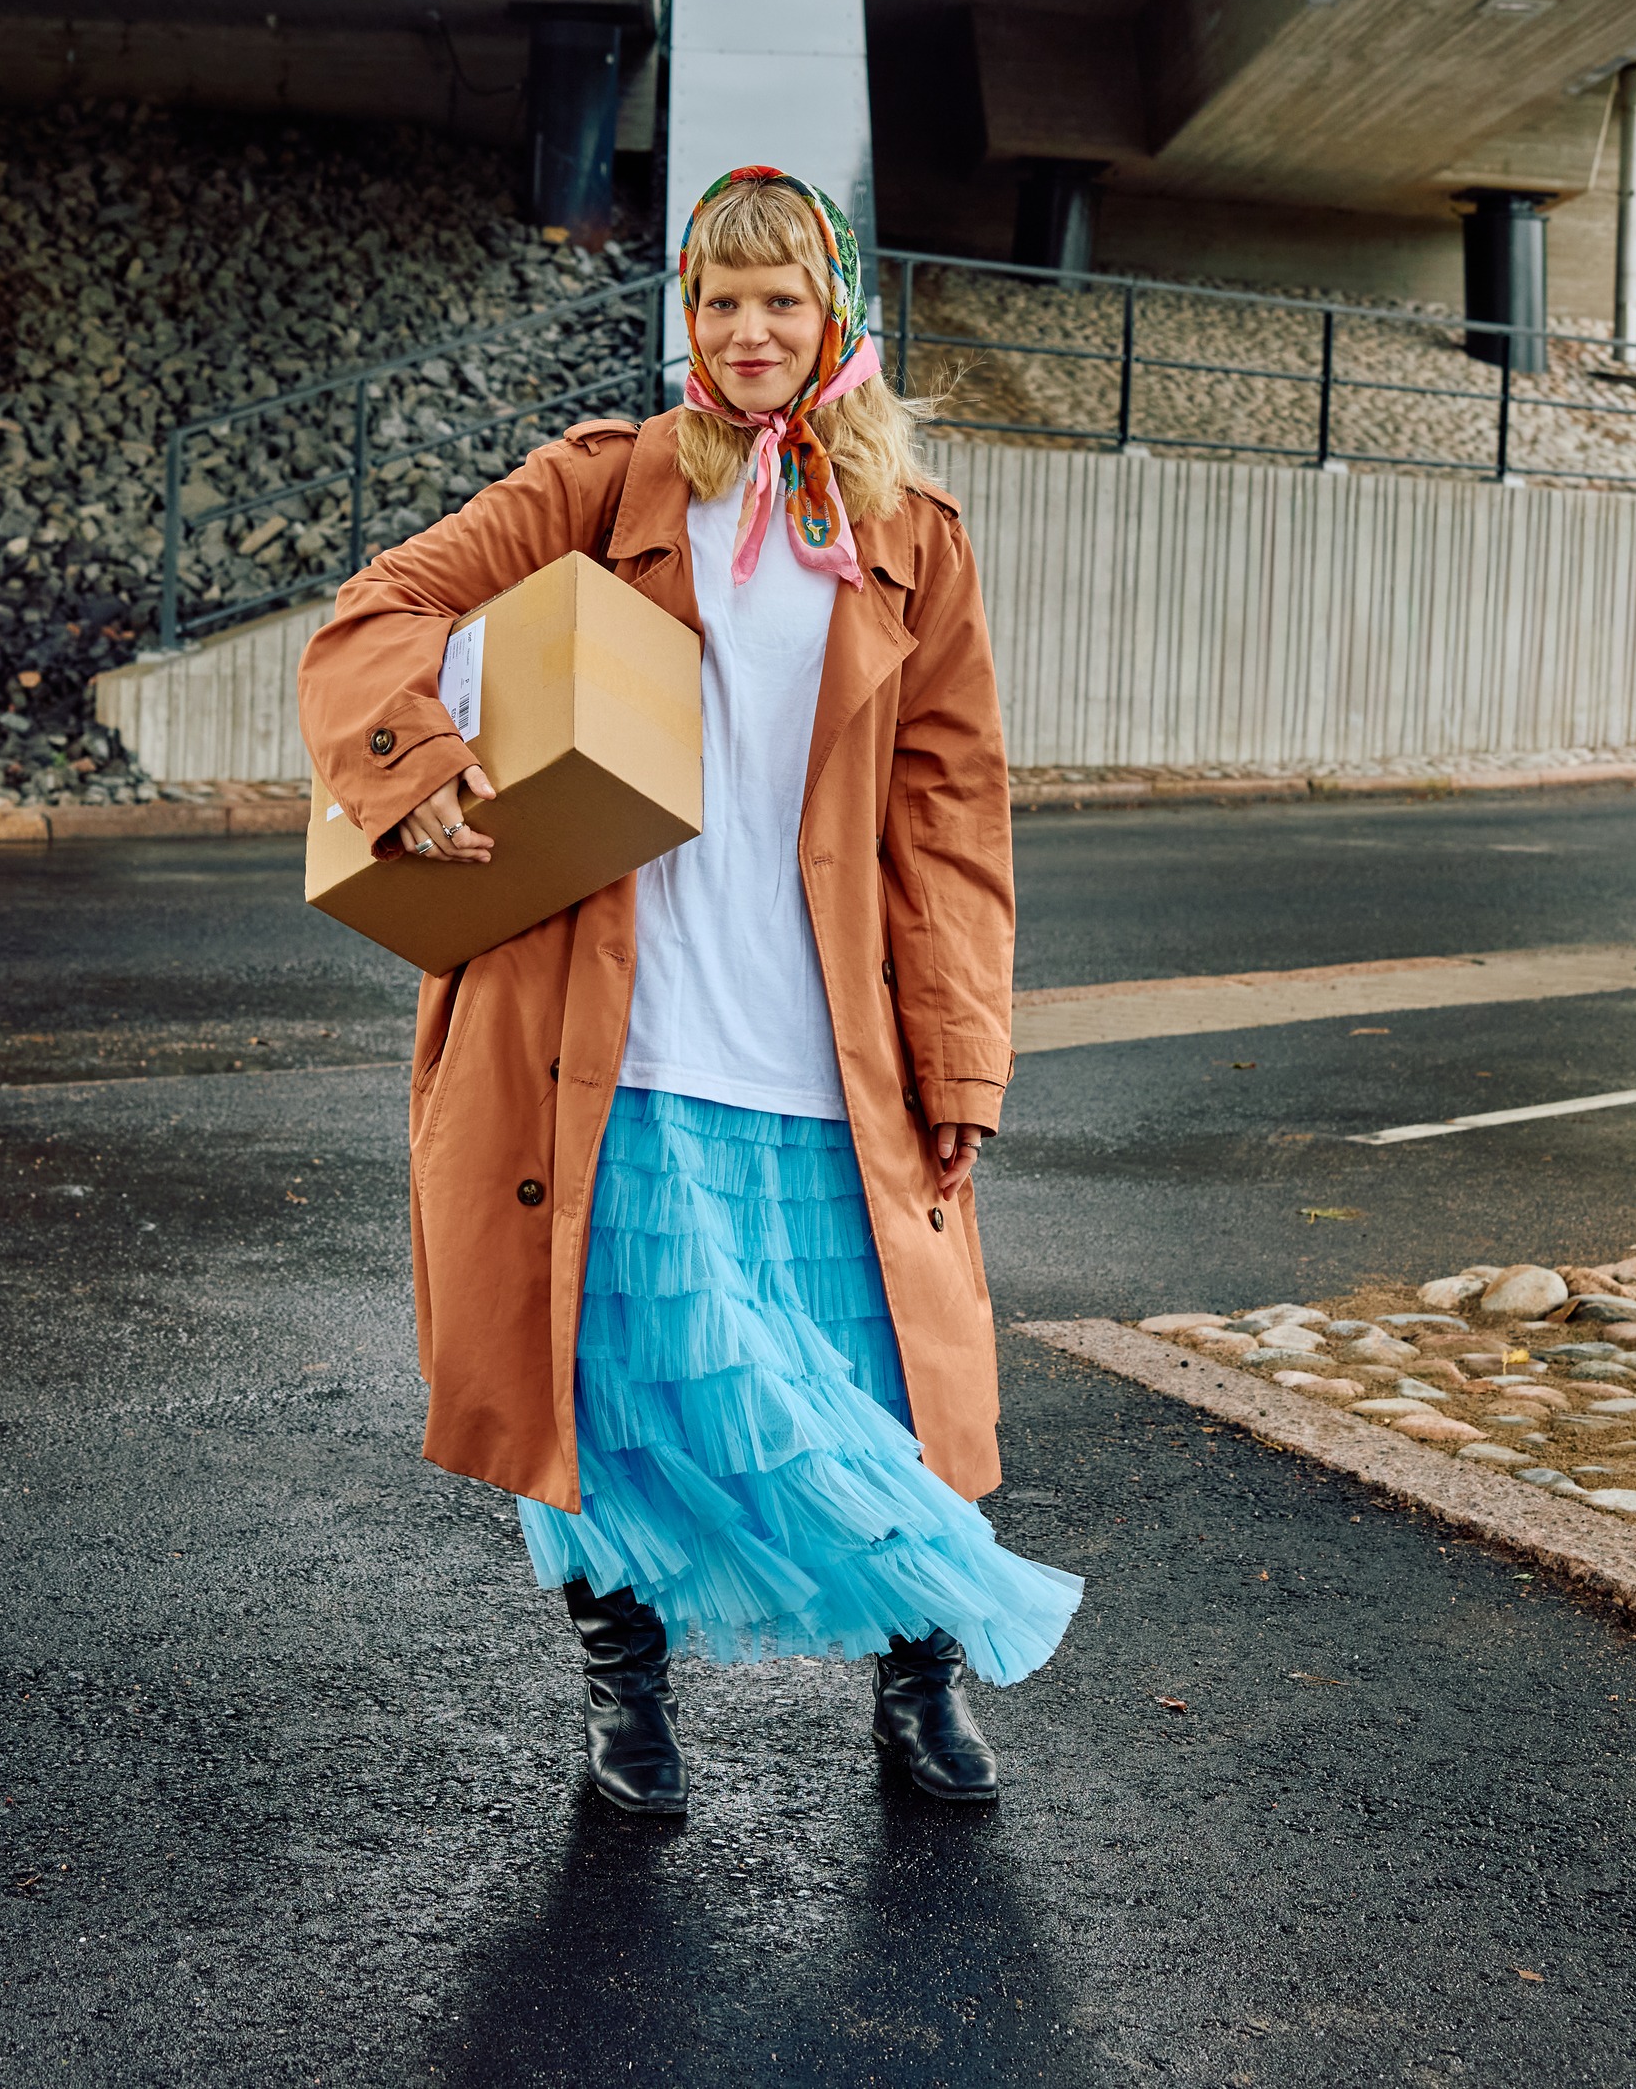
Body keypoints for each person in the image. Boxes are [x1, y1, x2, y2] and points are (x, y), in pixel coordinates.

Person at [296, 165, 1079, 1817]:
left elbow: (950, 818)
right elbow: (382, 610)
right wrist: (414, 756)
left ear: (834, 313)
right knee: (615, 1376)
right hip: (617, 1031)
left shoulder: (912, 540)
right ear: (688, 316)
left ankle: (921, 1675)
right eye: (716, 300)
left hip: (823, 1043)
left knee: (871, 1389)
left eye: (778, 299)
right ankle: (625, 1697)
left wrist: (961, 1062)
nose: (745, 331)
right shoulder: (604, 480)